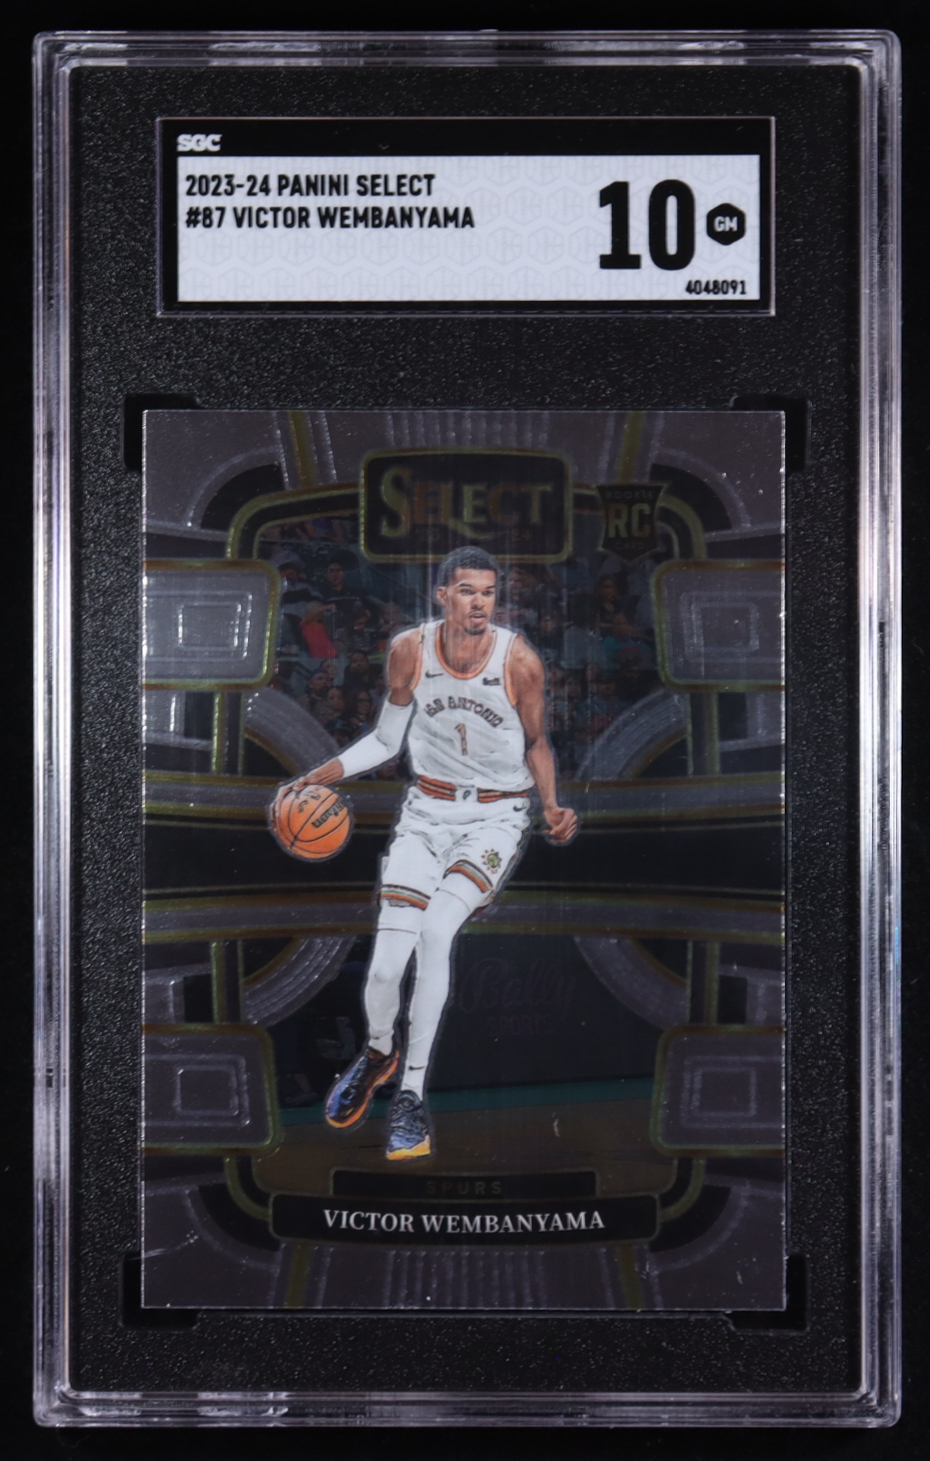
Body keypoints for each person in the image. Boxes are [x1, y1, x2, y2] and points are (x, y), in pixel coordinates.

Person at [273, 546, 578, 1162]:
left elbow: (537, 742)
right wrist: (314, 777)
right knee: (387, 966)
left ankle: (411, 1097)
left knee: (437, 933)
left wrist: (550, 805)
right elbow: (387, 740)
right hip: (426, 812)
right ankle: (378, 1053)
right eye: (467, 591)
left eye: (488, 592)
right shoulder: (409, 650)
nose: (480, 603)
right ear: (442, 596)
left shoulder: (518, 660)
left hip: (495, 815)